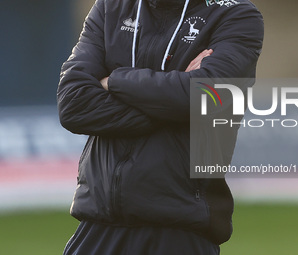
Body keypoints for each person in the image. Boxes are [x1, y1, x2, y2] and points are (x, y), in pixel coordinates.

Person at [57, 0, 264, 254]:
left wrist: (114, 80)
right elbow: (73, 105)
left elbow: (207, 97)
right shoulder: (111, 7)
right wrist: (173, 102)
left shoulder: (235, 14)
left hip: (180, 228)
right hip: (98, 226)